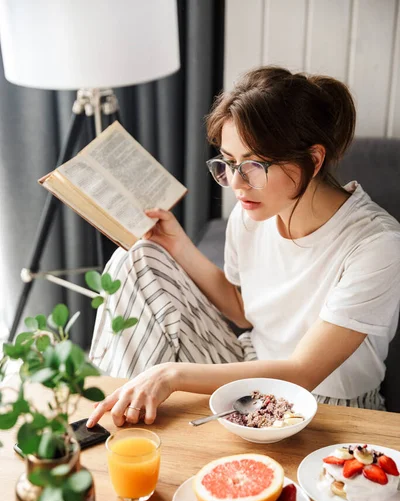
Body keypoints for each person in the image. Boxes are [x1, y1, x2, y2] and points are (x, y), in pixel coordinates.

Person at [86, 65, 400, 429]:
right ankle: (120, 420)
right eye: (229, 163)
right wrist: (177, 245)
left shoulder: (377, 244)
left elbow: (303, 373)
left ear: (313, 160)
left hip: (330, 403)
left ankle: (135, 427)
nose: (236, 183)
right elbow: (243, 311)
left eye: (253, 164)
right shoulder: (251, 215)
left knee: (164, 376)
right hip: (252, 363)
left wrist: (171, 374)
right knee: (138, 258)